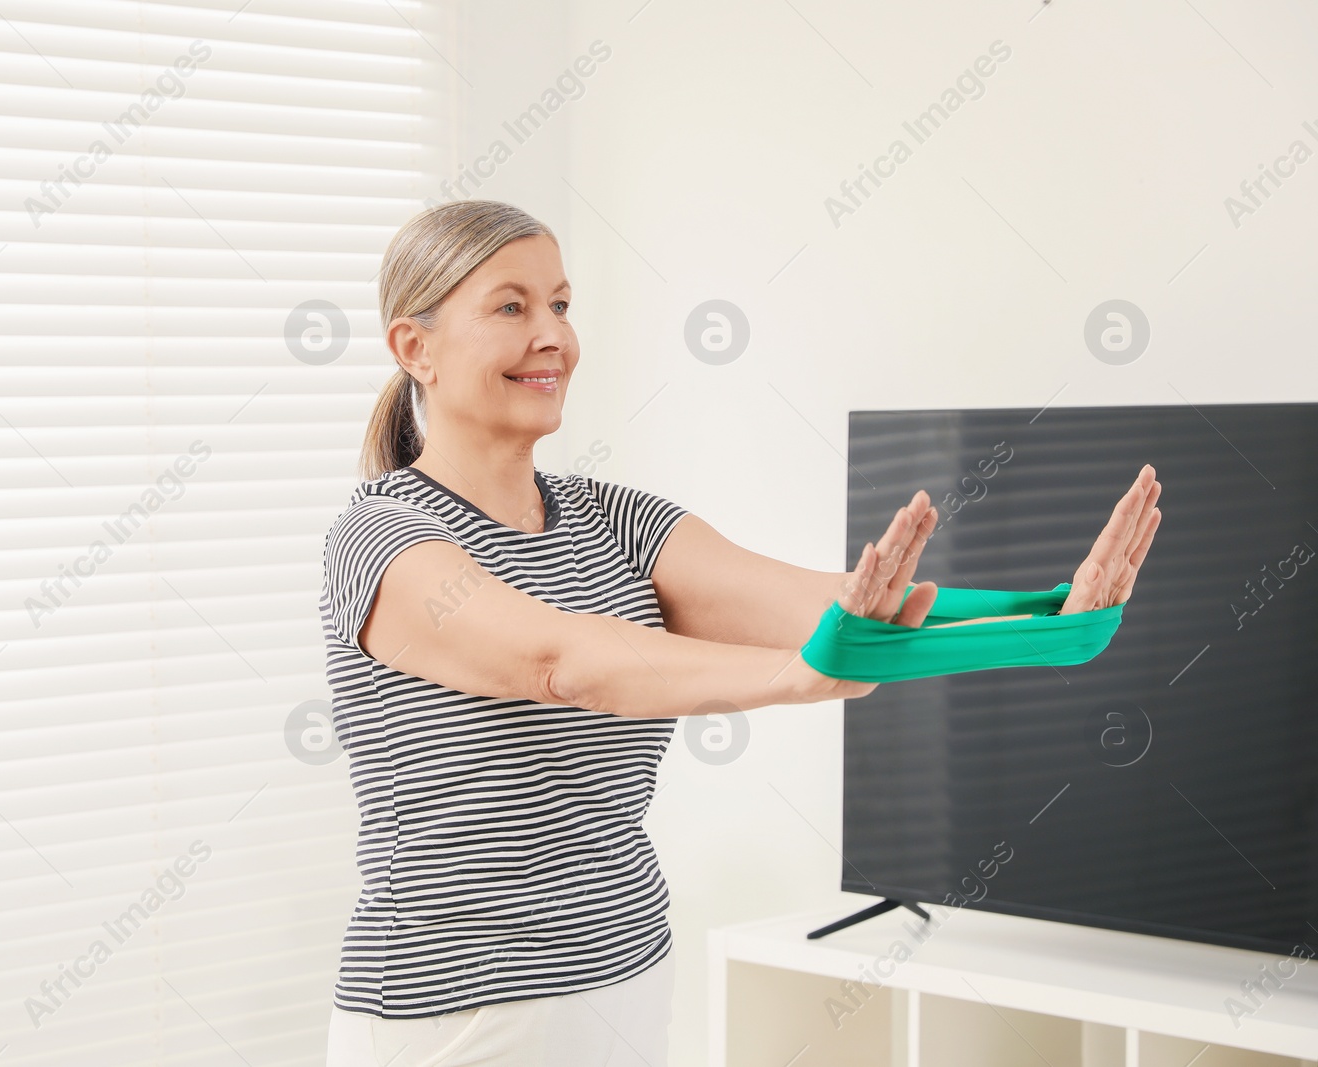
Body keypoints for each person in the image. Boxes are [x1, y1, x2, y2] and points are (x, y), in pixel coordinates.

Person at [319, 199, 1161, 1066]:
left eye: (562, 305)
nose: (555, 337)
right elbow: (559, 660)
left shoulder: (617, 520)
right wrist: (803, 675)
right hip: (455, 1010)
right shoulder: (382, 537)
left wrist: (1047, 618)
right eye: (512, 307)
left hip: (624, 975)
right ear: (413, 348)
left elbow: (830, 606)